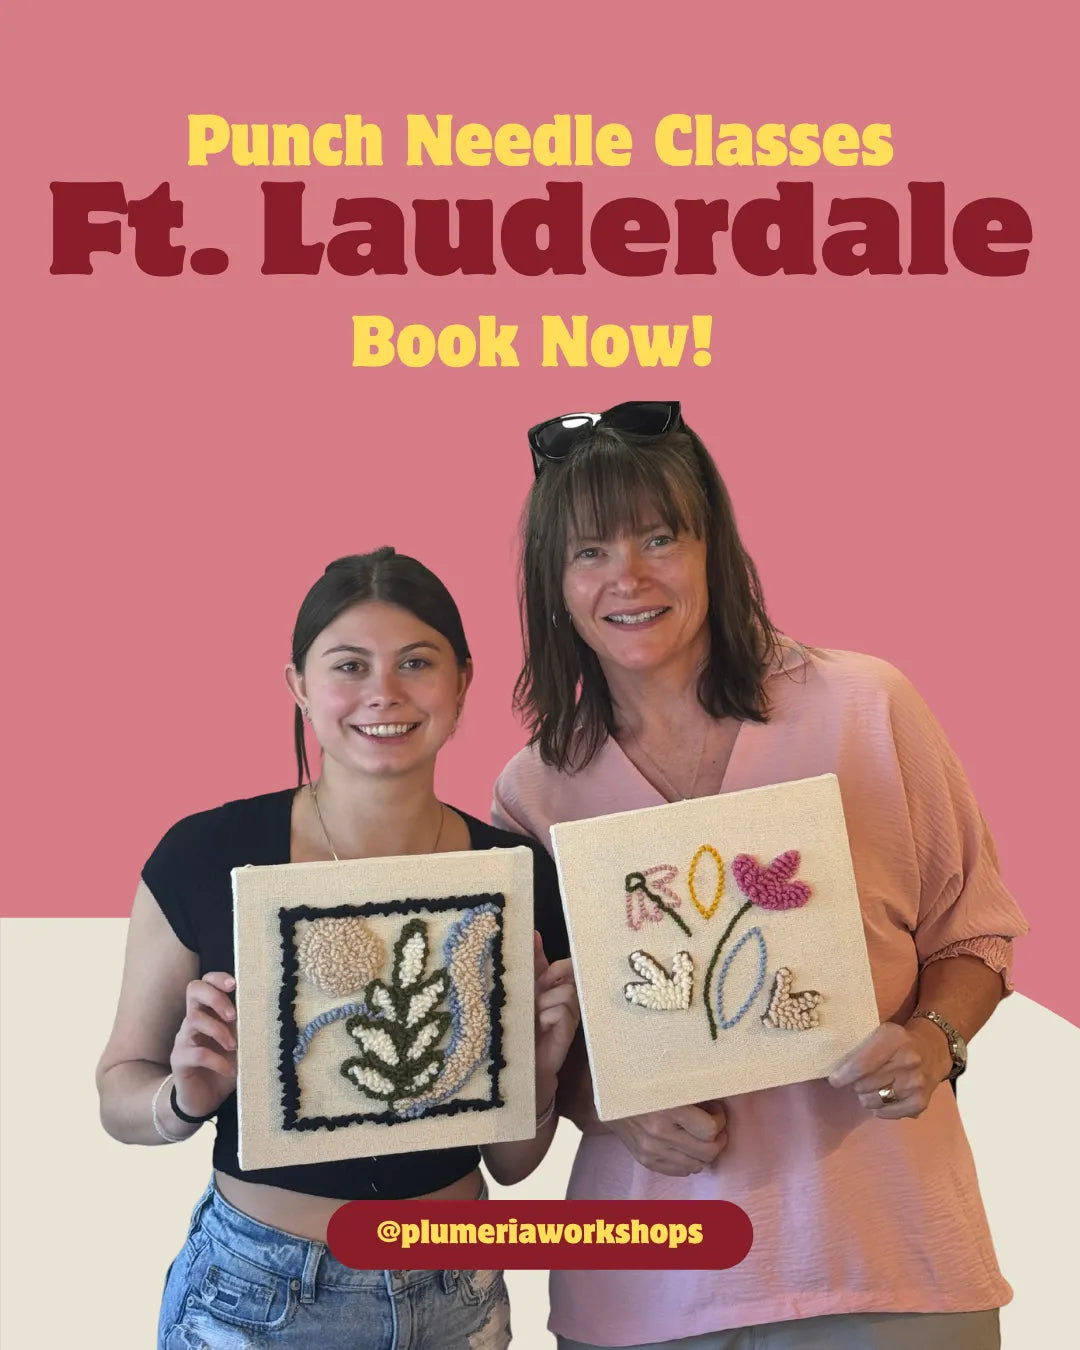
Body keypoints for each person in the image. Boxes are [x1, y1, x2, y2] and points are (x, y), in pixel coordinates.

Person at [492, 402, 1027, 1350]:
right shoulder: (535, 791)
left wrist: (932, 1040)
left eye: (660, 537)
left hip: (889, 1261)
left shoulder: (865, 707)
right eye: (590, 552)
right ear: (553, 583)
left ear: (716, 548)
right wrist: (608, 1105)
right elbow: (548, 1040)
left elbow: (975, 932)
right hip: (644, 1293)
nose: (629, 576)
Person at [97, 548, 579, 1350]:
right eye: (349, 665)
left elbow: (512, 1163)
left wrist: (536, 1074)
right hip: (260, 1295)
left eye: (416, 663)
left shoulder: (517, 876)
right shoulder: (203, 854)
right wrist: (182, 1098)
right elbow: (119, 1091)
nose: (383, 692)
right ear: (298, 685)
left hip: (458, 1293)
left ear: (463, 681)